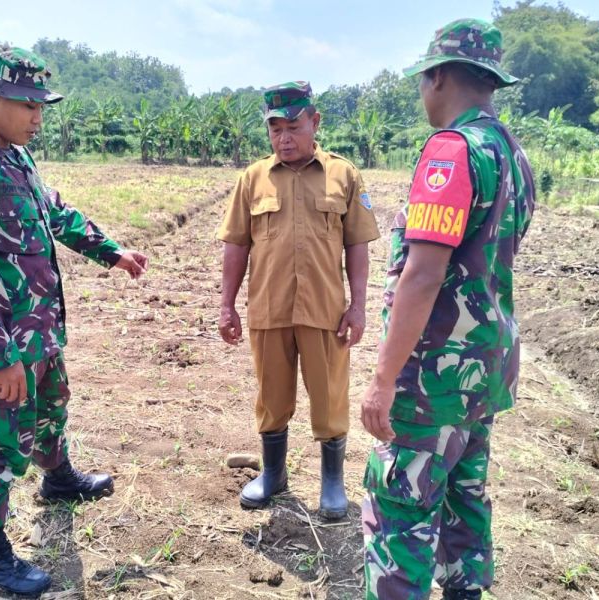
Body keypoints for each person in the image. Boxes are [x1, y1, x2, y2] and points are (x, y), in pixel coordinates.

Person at [0, 45, 148, 597]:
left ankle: (58, 479)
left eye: (40, 106)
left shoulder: (16, 157)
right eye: (27, 105)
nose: (37, 117)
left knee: (52, 407)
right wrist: (0, 358)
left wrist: (111, 252)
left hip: (41, 327)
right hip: (3, 340)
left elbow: (55, 213)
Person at [359, 19, 536, 600]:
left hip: (434, 375)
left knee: (400, 513)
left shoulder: (451, 151)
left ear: (436, 77)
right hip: (485, 369)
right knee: (465, 498)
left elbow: (424, 272)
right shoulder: (512, 154)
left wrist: (383, 381)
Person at [217, 81, 380, 520]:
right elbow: (236, 244)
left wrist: (359, 304)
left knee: (330, 397)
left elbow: (357, 245)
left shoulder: (342, 175)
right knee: (272, 397)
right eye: (275, 129)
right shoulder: (253, 178)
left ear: (315, 122)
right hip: (269, 308)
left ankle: (331, 481)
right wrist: (226, 305)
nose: (283, 138)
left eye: (293, 126)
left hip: (325, 310)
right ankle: (273, 474)